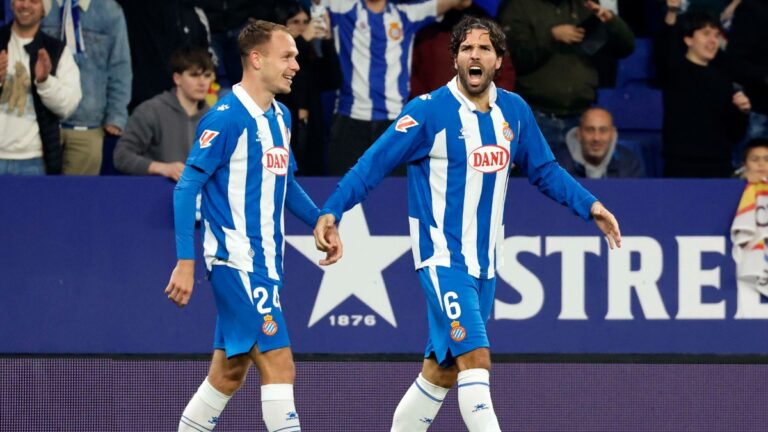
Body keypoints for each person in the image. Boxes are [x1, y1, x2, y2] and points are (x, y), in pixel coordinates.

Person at [313, 16, 621, 432]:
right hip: (442, 259)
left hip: (486, 265)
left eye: (484, 49)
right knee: (476, 358)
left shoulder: (514, 110)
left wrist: (591, 205)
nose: (474, 55)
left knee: (441, 372)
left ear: (498, 60)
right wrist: (332, 211)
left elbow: (545, 170)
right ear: (455, 58)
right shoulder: (427, 111)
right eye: (466, 48)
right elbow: (372, 165)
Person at [164, 21, 339, 432]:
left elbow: (286, 183)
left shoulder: (280, 116)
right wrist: (185, 262)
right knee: (280, 364)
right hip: (234, 262)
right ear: (256, 60)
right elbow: (186, 189)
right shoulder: (224, 117)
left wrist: (319, 221)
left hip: (266, 265)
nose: (296, 64)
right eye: (288, 56)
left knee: (228, 374)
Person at [326, 0, 471, 176]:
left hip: (395, 123)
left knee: (395, 195)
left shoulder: (405, 14)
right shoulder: (342, 8)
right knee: (343, 194)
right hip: (350, 119)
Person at [498, 0, 635, 151]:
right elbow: (514, 57)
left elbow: (626, 48)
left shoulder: (585, 4)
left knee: (578, 175)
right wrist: (551, 36)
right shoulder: (519, 6)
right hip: (537, 116)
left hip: (581, 116)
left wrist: (611, 20)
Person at [657, 5, 751, 177]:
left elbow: (735, 133)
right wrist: (671, 13)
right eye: (706, 33)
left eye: (716, 35)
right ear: (688, 39)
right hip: (681, 164)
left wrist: (742, 112)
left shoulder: (724, 79)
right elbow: (663, 50)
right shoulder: (674, 71)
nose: (713, 40)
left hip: (719, 164)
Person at [42, 0, 131, 175]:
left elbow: (120, 66)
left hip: (88, 125)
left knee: (78, 198)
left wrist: (116, 115)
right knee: (37, 196)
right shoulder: (40, 5)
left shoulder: (109, 10)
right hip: (44, 124)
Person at [0, 0, 81, 175]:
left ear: (44, 10)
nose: (25, 5)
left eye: (34, 1)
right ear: (12, 3)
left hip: (35, 162)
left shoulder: (56, 50)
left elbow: (68, 106)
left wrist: (45, 82)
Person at [113, 47, 214, 180]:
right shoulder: (151, 110)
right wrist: (163, 168)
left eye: (207, 76)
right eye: (194, 75)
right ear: (177, 78)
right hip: (155, 193)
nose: (202, 82)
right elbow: (121, 156)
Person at [273, 0, 341, 176]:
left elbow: (335, 80)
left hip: (312, 133)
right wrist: (301, 42)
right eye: (295, 22)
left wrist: (327, 40)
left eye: (306, 22)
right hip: (284, 135)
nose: (303, 27)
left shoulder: (310, 57)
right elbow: (286, 71)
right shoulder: (273, 59)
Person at [555, 106, 644, 178]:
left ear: (612, 134)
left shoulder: (629, 164)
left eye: (603, 130)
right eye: (590, 130)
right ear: (579, 134)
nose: (596, 138)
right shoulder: (558, 166)